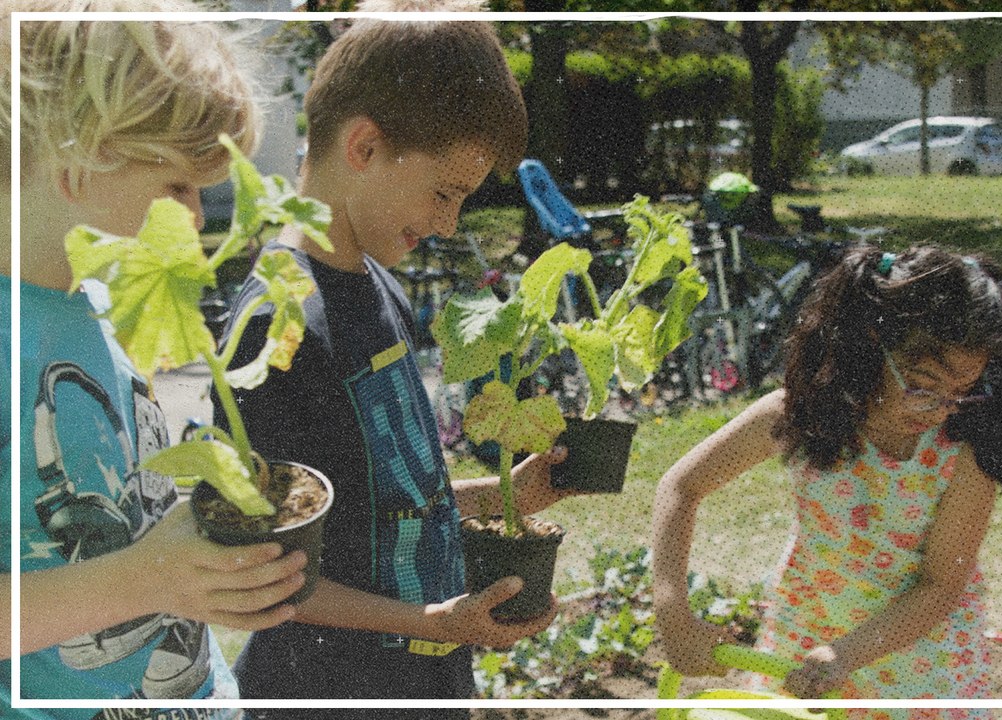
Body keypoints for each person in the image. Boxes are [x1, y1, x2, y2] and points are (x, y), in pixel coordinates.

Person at [213, 19, 573, 713]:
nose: (449, 224)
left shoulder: (381, 287)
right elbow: (268, 570)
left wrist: (504, 496)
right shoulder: (277, 326)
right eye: (443, 193)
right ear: (365, 147)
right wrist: (431, 624)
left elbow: (380, 505)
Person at [1, 4, 307, 715]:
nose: (196, 217)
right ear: (82, 159)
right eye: (178, 187)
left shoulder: (101, 303)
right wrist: (146, 581)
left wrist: (188, 569)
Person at [652, 244, 1002, 716]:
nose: (940, 408)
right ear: (870, 344)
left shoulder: (962, 452)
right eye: (923, 385)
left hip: (919, 664)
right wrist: (673, 614)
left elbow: (940, 584)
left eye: (962, 391)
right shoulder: (797, 416)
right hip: (808, 634)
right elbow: (681, 486)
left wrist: (846, 654)